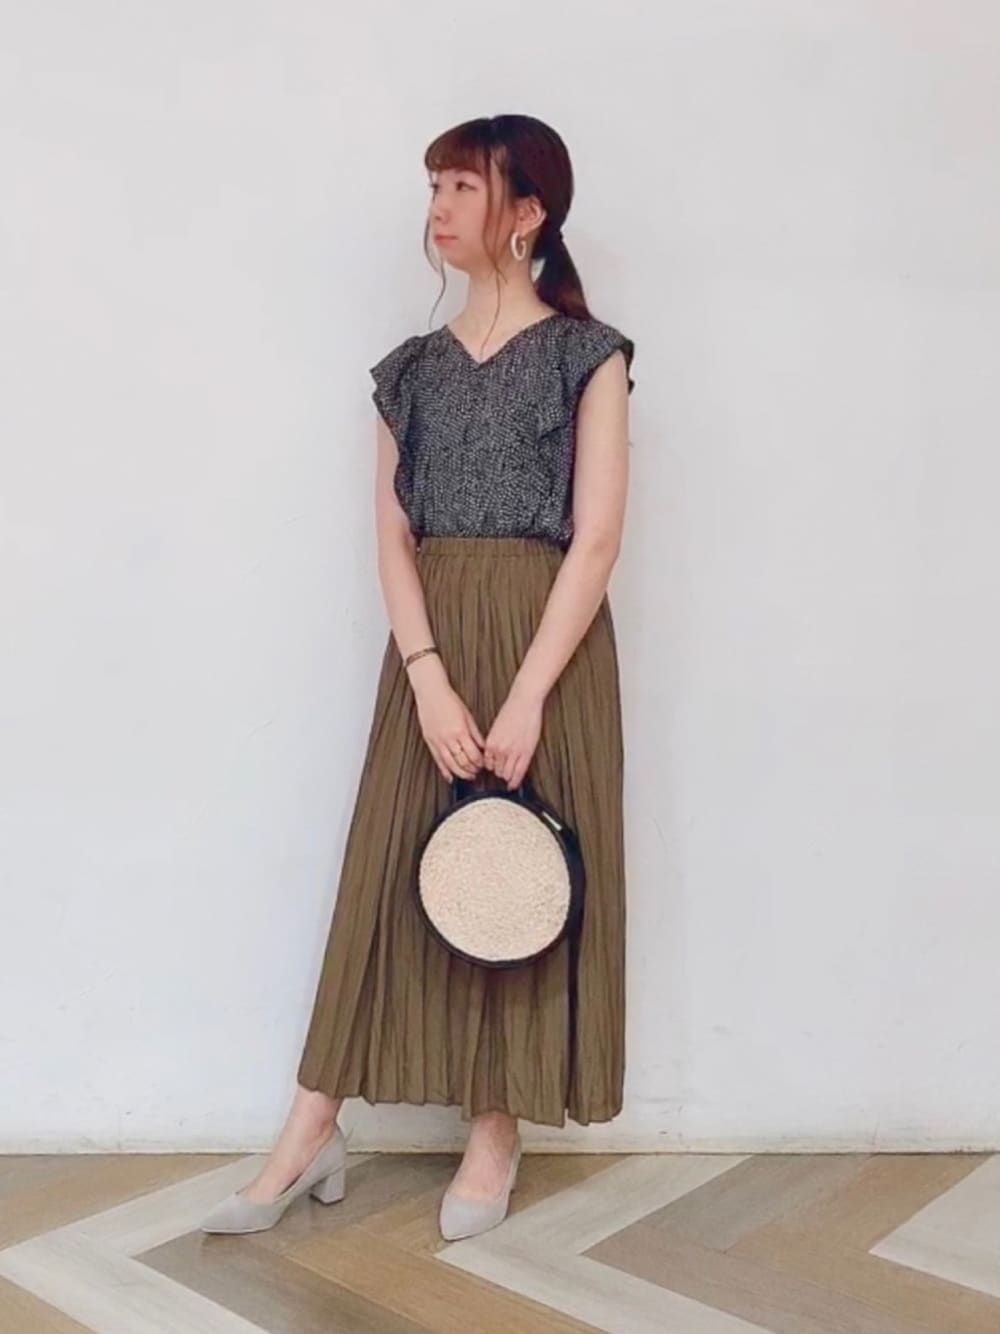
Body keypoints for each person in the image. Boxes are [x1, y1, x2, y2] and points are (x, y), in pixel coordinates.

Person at [201, 113, 634, 1241]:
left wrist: (528, 694)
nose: (437, 206)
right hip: (429, 646)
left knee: (520, 880)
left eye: (462, 186)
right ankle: (311, 1128)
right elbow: (392, 536)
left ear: (527, 212)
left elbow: (595, 539)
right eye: (433, 185)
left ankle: (496, 1128)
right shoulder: (410, 372)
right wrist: (430, 679)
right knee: (385, 878)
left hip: (548, 645)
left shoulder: (589, 356)